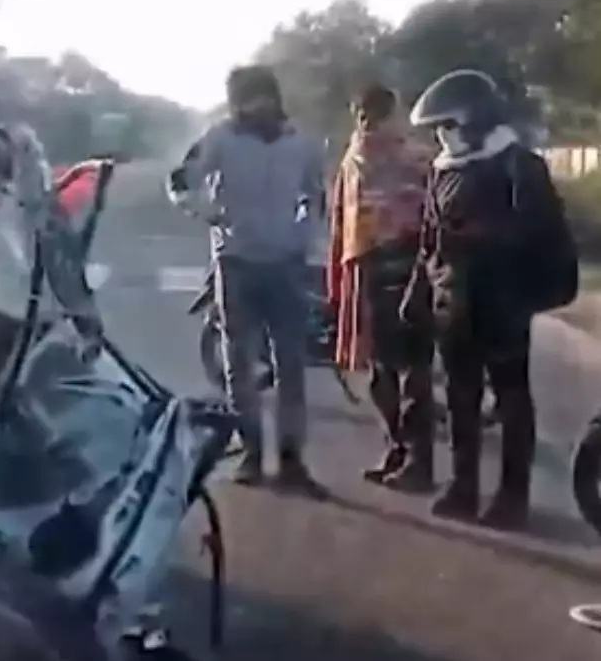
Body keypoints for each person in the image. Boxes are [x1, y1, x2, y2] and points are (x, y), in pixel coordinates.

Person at [400, 69, 578, 528]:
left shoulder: (520, 166)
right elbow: (430, 240)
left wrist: (480, 238)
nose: (442, 136)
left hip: (504, 301)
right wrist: (417, 292)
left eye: (448, 125)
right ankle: (463, 487)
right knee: (460, 397)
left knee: (511, 397)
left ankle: (512, 496)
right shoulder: (443, 170)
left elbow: (538, 230)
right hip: (453, 302)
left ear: (475, 119)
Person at [168, 65, 328, 494]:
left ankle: (291, 459)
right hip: (236, 261)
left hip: (287, 262)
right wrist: (207, 212)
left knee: (291, 363)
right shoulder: (219, 139)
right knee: (239, 362)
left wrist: (306, 233)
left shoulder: (301, 143)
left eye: (257, 98)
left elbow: (317, 194)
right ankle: (253, 452)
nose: (251, 108)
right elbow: (181, 181)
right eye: (243, 100)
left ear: (273, 98)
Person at [327, 84, 437, 491]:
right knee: (388, 370)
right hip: (378, 269)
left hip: (401, 269)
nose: (368, 123)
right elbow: (342, 220)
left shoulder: (409, 158)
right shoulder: (363, 158)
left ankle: (414, 459)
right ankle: (402, 451)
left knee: (404, 371)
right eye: (363, 115)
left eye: (373, 114)